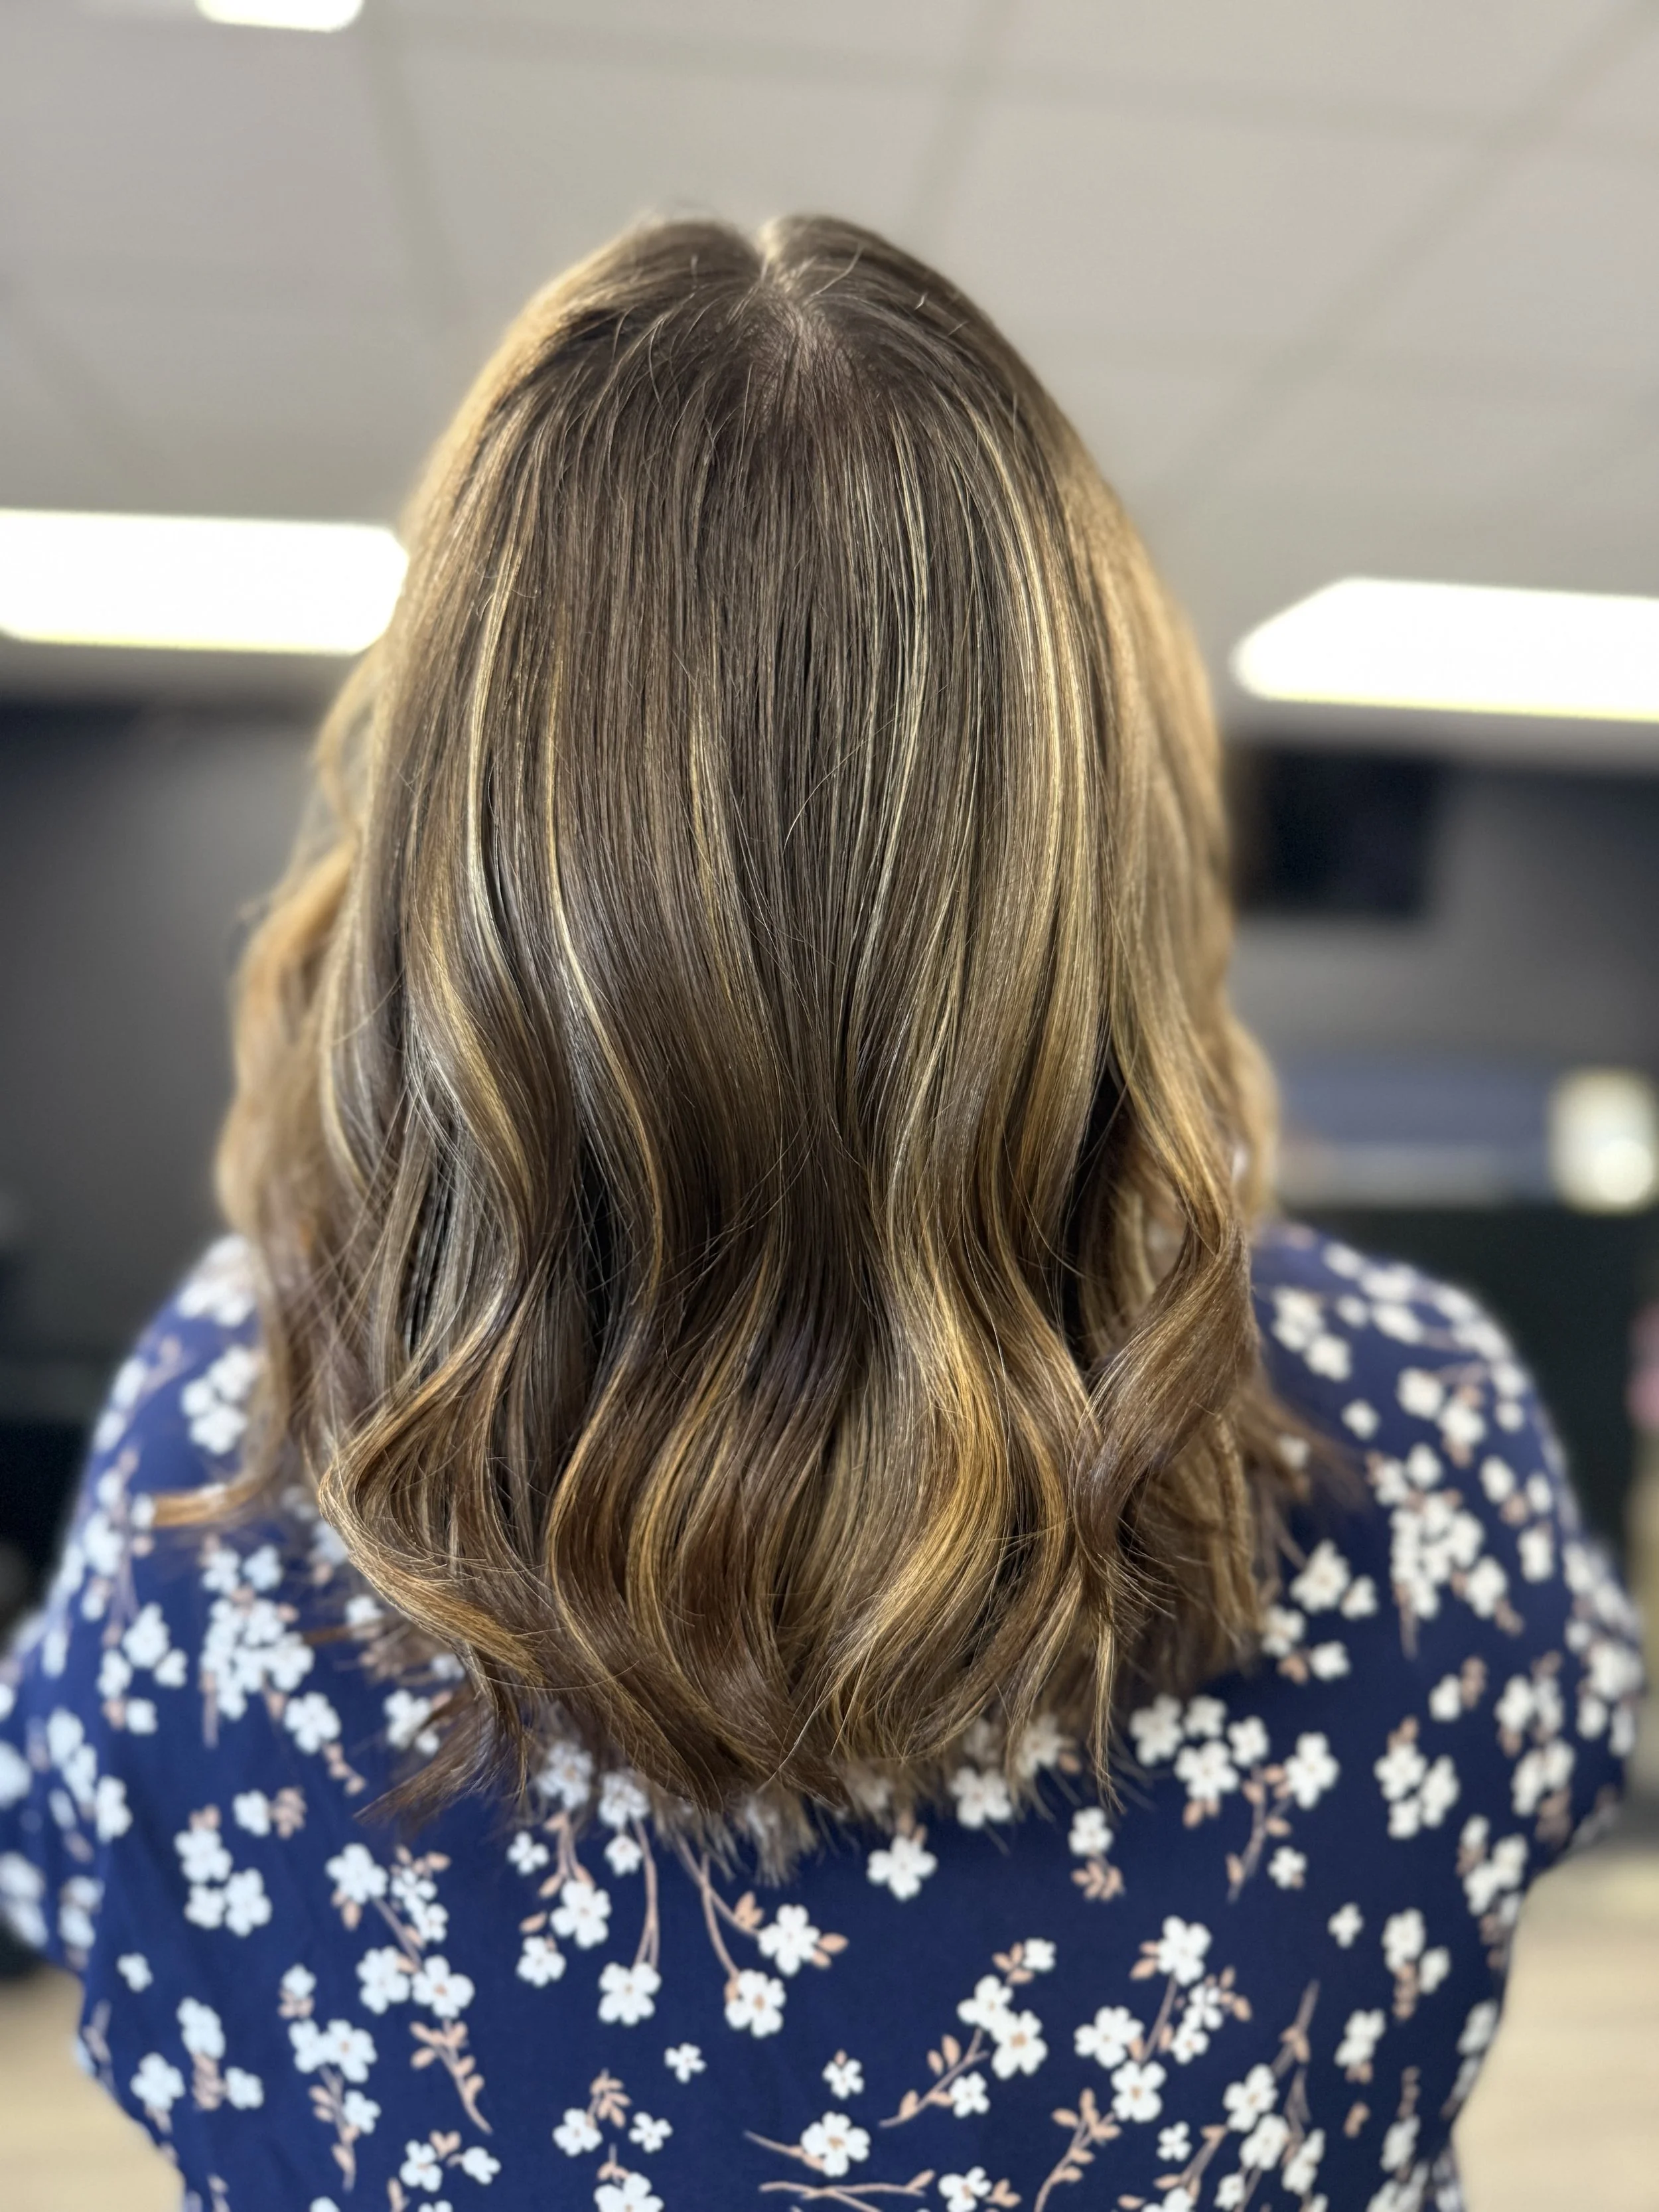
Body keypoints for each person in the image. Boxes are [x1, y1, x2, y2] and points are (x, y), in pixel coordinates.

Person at [0, 216, 1642, 2212]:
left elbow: (130, 1970)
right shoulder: (1413, 1440)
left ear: (459, 836)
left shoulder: (223, 1439)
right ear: (1101, 837)